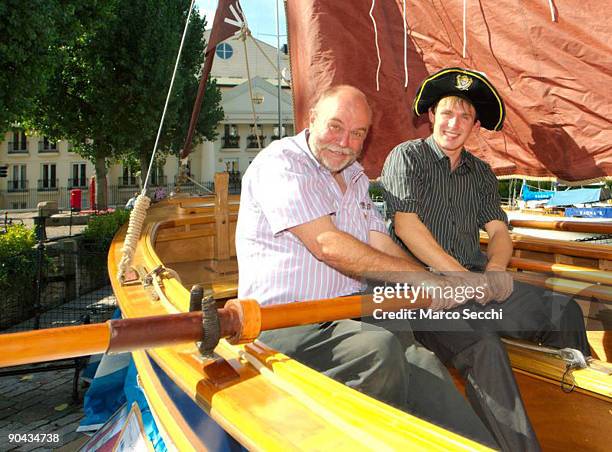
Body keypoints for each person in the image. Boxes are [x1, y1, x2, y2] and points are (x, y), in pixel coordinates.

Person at [235, 85, 497, 447]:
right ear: (312, 119)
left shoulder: (354, 176)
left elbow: (379, 240)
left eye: (358, 134)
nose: (344, 142)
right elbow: (328, 245)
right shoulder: (282, 163)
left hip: (353, 315)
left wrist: (432, 282)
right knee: (378, 350)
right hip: (286, 322)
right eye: (335, 127)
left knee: (425, 363)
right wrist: (425, 280)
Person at [380, 67, 591, 452]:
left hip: (475, 284)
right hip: (422, 293)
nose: (454, 123)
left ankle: (576, 424)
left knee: (566, 312)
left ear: (475, 125)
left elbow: (498, 232)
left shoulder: (480, 173)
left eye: (464, 116)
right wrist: (461, 277)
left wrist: (494, 270)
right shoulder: (405, 157)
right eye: (447, 112)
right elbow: (406, 226)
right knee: (484, 348)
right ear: (431, 115)